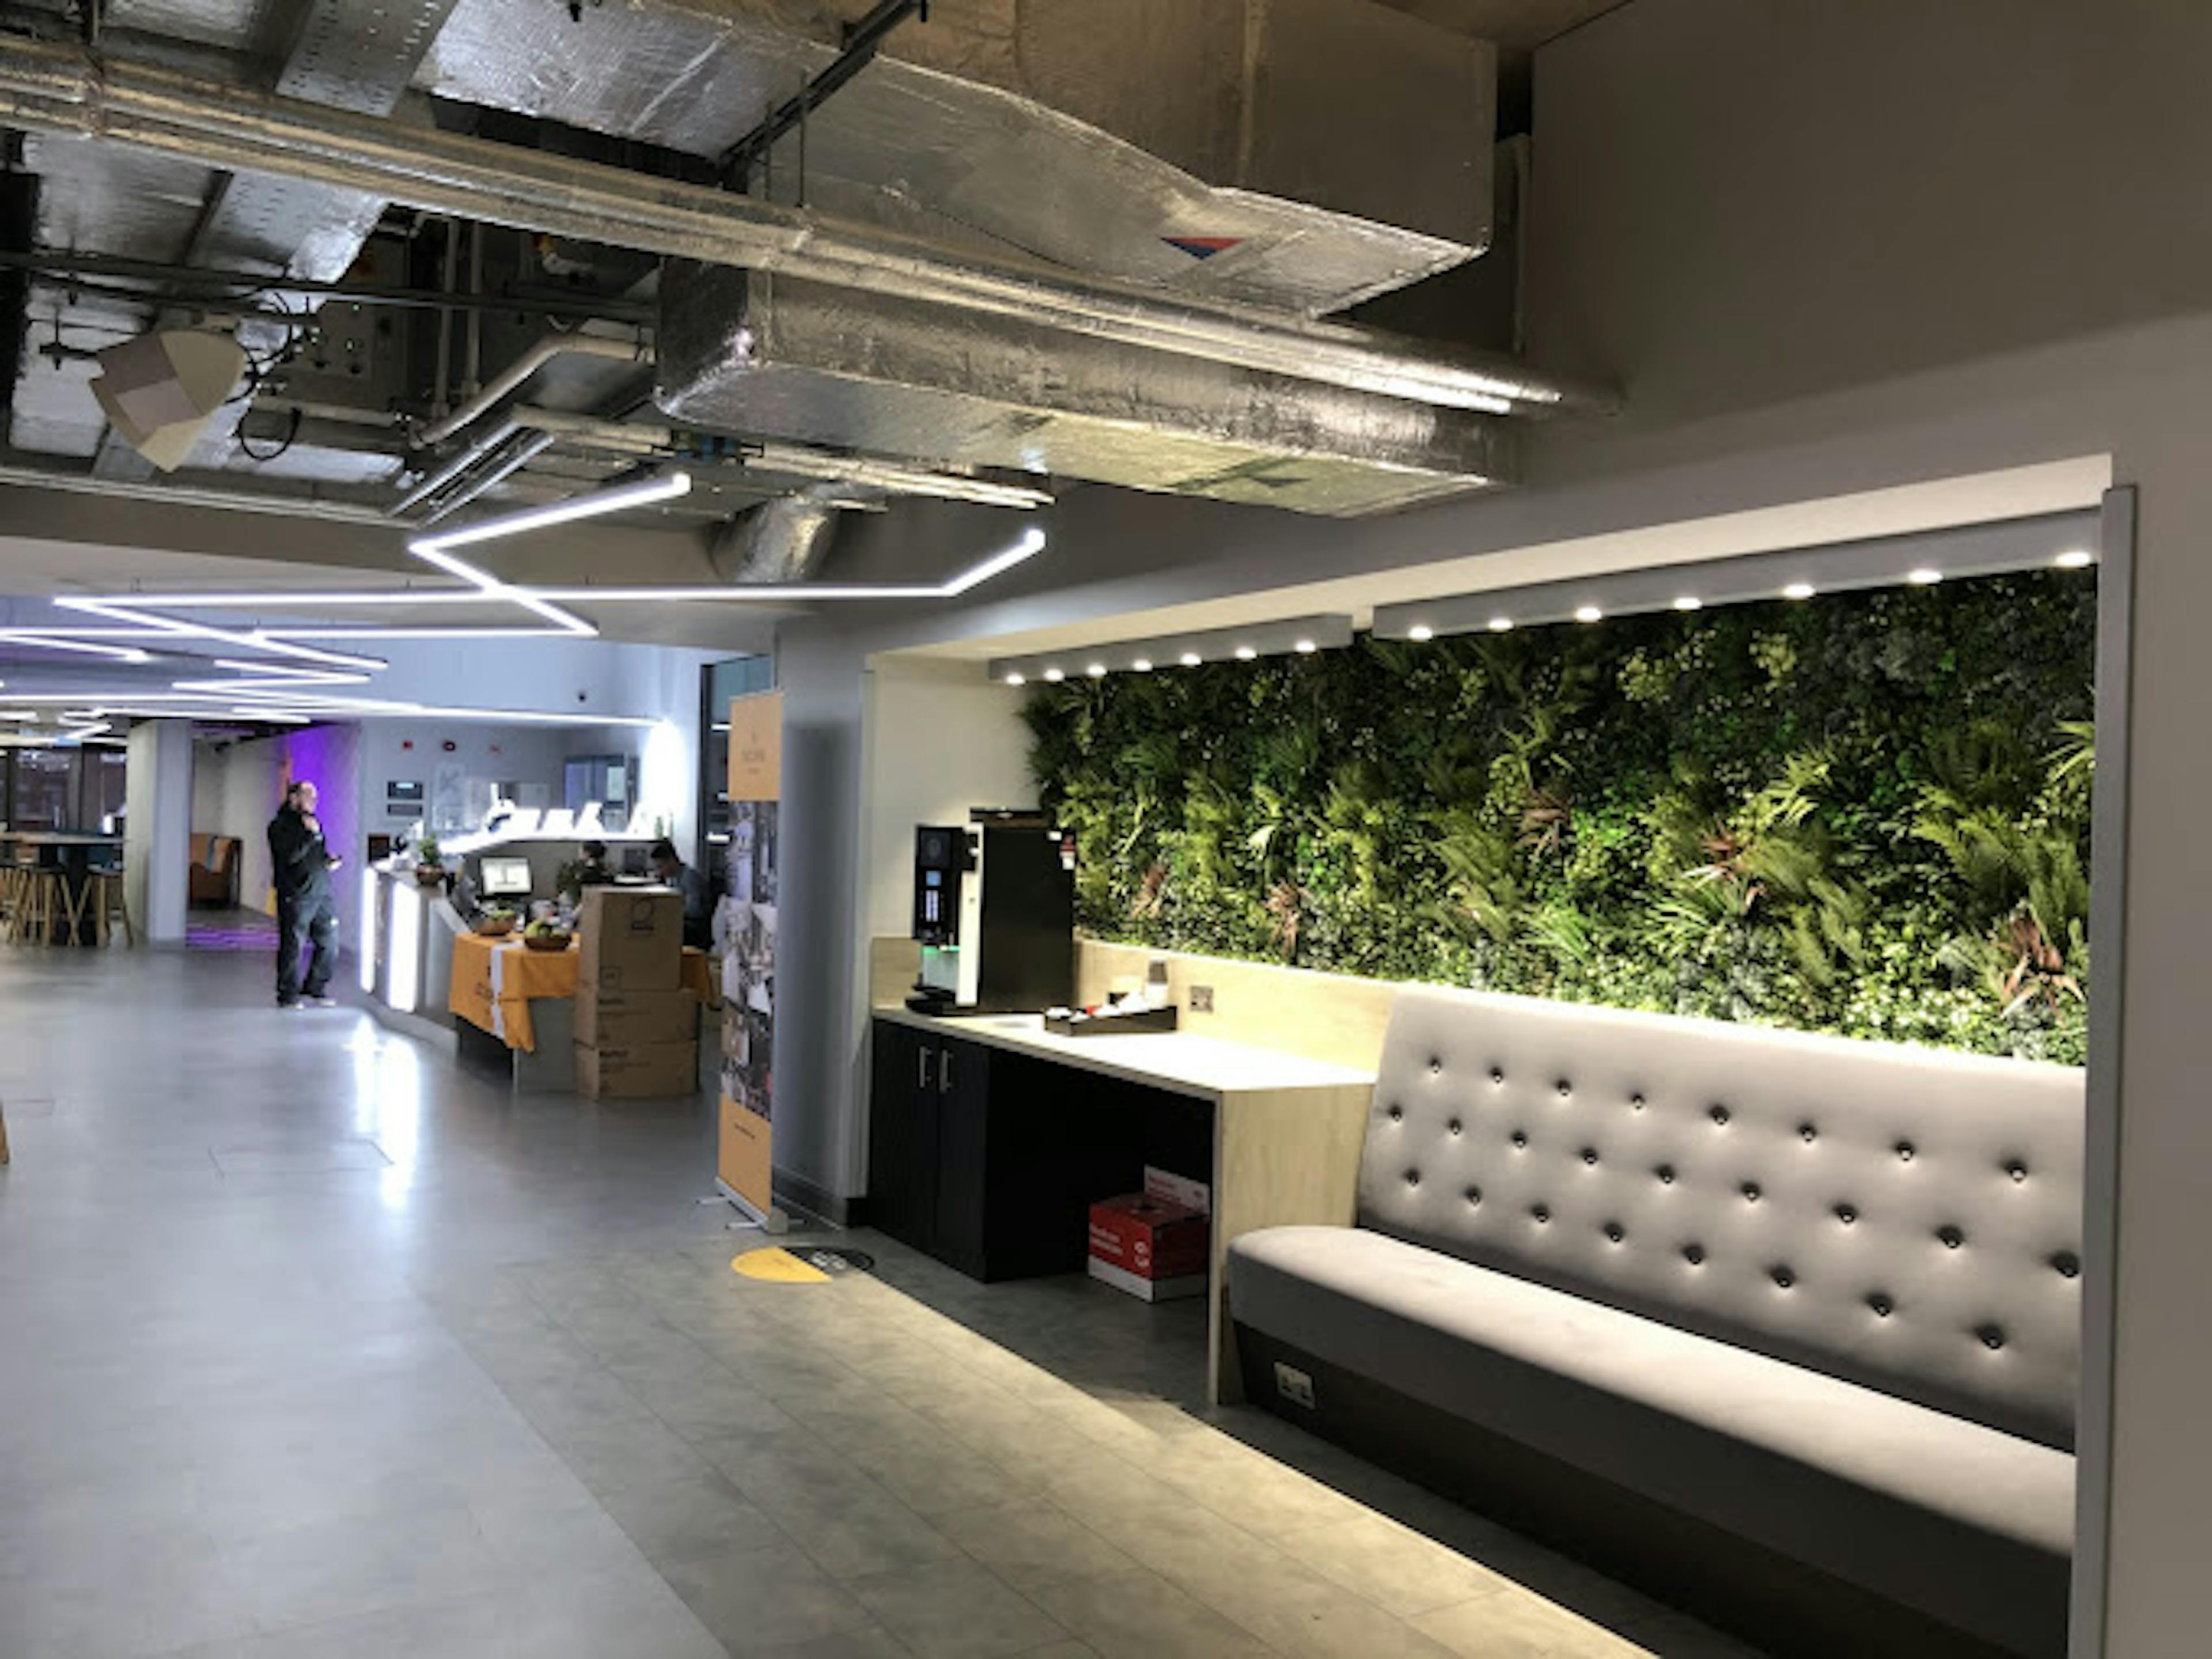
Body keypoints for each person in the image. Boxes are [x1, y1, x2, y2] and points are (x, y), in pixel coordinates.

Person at [268, 779, 342, 1009]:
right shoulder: (280, 826)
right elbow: (291, 856)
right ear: (294, 798)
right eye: (308, 796)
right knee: (293, 945)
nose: (313, 802)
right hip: (296, 894)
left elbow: (315, 855)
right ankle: (288, 995)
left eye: (315, 797)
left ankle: (316, 986)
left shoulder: (312, 823)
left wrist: (327, 862)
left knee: (330, 942)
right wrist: (311, 836)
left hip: (322, 892)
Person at [650, 837, 712, 949]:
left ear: (671, 861)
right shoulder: (674, 878)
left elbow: (695, 910)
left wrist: (672, 912)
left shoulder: (690, 878)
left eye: (660, 867)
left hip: (696, 928)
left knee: (662, 930)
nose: (659, 872)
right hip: (685, 922)